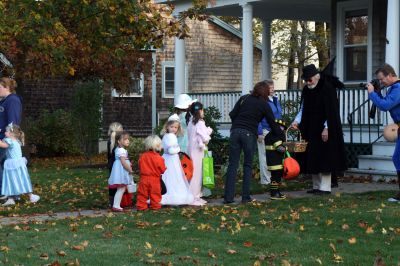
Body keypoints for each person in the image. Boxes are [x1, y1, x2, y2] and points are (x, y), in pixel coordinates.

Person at [223, 81, 284, 204]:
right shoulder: (264, 104)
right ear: (266, 92)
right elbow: (272, 123)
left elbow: (232, 114)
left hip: (235, 132)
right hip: (249, 134)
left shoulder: (244, 98)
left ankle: (228, 198)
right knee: (247, 165)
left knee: (232, 165)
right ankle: (246, 198)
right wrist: (282, 135)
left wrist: (237, 125)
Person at [291, 64, 346, 195]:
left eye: (309, 80)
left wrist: (327, 128)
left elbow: (331, 111)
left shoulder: (327, 88)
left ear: (316, 77)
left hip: (323, 129)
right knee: (312, 157)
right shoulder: (306, 90)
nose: (307, 82)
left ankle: (325, 187)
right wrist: (296, 121)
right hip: (309, 128)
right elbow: (303, 108)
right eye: (305, 80)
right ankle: (316, 186)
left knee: (325, 157)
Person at [366, 63, 400, 202]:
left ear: (390, 75)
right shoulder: (393, 88)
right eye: (379, 80)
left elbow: (385, 106)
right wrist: (378, 92)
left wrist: (372, 93)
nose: (381, 82)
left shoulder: (398, 88)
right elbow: (385, 101)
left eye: (382, 79)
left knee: (398, 159)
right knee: (397, 159)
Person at [0, 124, 40, 206]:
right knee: (19, 179)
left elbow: (2, 145)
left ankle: (30, 196)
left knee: (13, 180)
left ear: (12, 133)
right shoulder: (16, 141)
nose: (5, 132)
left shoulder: (9, 141)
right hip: (18, 164)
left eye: (7, 131)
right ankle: (12, 198)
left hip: (13, 165)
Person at [160, 114, 194, 206]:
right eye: (172, 127)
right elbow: (171, 150)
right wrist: (178, 149)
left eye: (176, 127)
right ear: (167, 126)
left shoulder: (166, 135)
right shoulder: (170, 136)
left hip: (168, 159)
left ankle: (165, 194)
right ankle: (173, 195)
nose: (174, 129)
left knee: (168, 176)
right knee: (173, 176)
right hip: (170, 159)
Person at [0, 78, 22, 200]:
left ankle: (5, 192)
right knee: (7, 165)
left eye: (0, 87)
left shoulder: (13, 100)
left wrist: (8, 137)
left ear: (7, 87)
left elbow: (13, 122)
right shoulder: (4, 101)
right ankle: (13, 194)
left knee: (10, 165)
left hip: (7, 139)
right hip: (3, 137)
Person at [257, 80, 282, 185]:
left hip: (275, 131)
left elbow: (278, 115)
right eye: (270, 88)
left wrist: (281, 127)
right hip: (265, 131)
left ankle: (274, 179)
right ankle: (266, 180)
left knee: (274, 155)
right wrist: (259, 132)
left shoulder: (275, 99)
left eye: (273, 87)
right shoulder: (262, 100)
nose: (272, 89)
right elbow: (257, 117)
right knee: (264, 156)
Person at [187, 102, 213, 206]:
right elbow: (205, 139)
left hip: (192, 149)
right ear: (200, 111)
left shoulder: (191, 122)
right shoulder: (200, 123)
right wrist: (209, 131)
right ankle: (194, 197)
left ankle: (195, 196)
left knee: (194, 173)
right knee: (197, 174)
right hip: (198, 151)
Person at [136, 135, 167, 211]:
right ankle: (155, 206)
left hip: (144, 178)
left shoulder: (142, 156)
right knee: (155, 194)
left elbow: (140, 166)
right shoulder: (159, 158)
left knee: (142, 194)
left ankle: (141, 206)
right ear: (157, 146)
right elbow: (162, 170)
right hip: (155, 179)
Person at [108, 131, 133, 212]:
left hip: (120, 171)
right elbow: (123, 162)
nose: (127, 141)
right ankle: (116, 205)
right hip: (121, 171)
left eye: (128, 139)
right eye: (125, 139)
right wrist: (129, 170)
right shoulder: (121, 150)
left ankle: (116, 205)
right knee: (121, 188)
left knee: (121, 188)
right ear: (119, 141)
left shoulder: (119, 149)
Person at [106, 122, 123, 207]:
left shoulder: (110, 141)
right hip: (118, 165)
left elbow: (109, 155)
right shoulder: (119, 142)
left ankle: (112, 202)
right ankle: (117, 202)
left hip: (111, 165)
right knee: (119, 182)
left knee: (112, 183)